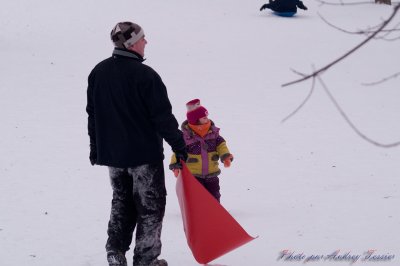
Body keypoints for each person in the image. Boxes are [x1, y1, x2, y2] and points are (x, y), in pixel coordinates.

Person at [86, 21, 188, 266]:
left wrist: (96, 148)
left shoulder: (98, 72)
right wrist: (179, 145)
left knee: (122, 201)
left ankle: (115, 251)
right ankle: (146, 259)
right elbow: (162, 117)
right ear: (132, 43)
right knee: (150, 207)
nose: (146, 42)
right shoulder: (146, 76)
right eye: (143, 38)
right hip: (144, 156)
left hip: (114, 156)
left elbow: (93, 113)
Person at [169, 99, 233, 202]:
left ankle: (215, 211)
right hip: (194, 174)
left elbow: (221, 145)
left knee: (214, 193)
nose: (207, 119)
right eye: (204, 117)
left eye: (207, 116)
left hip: (211, 172)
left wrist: (225, 156)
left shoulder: (213, 133)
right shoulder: (186, 137)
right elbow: (178, 151)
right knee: (196, 195)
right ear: (195, 120)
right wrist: (175, 165)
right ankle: (197, 211)